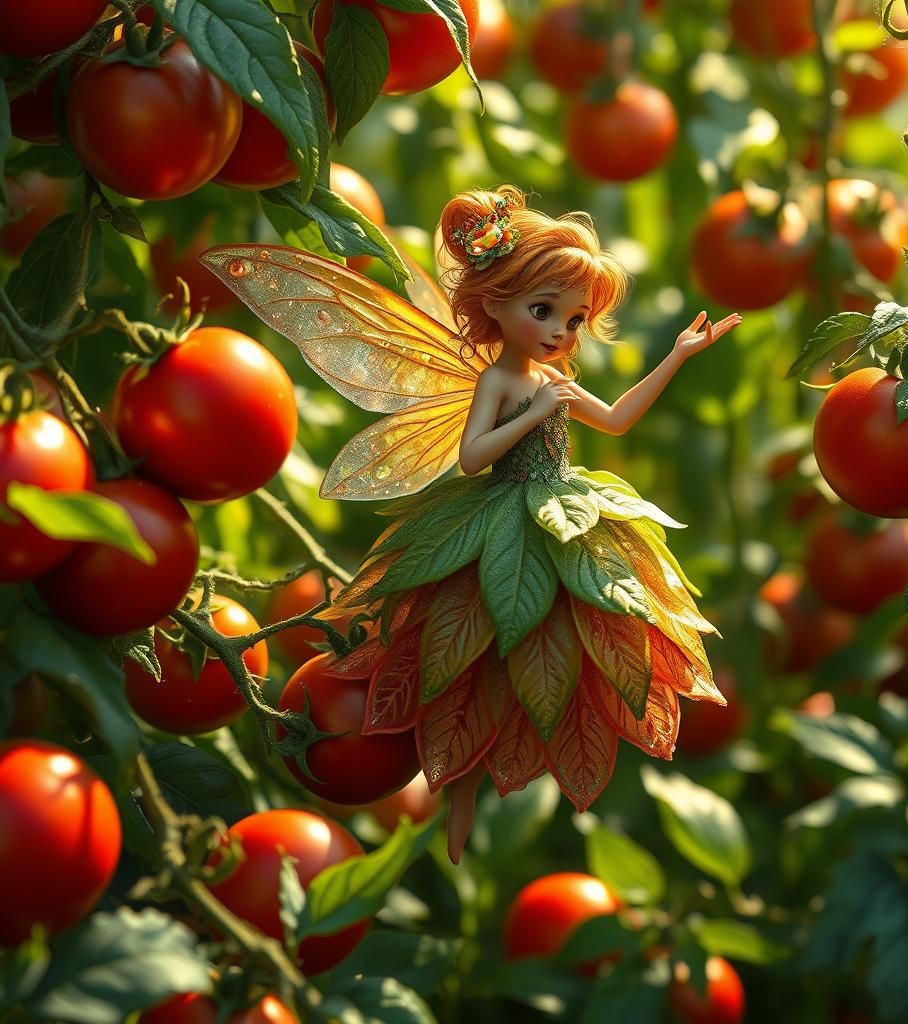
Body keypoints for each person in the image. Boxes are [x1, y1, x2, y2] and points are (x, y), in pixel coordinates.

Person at [202, 185, 743, 862]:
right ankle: (458, 814)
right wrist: (534, 410)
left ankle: (493, 812)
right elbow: (471, 455)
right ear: (494, 302)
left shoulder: (554, 380)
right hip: (495, 515)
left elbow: (618, 418)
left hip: (567, 512)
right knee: (462, 669)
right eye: (544, 311)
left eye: (574, 320)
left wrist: (679, 355)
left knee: (565, 647)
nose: (558, 332)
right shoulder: (504, 383)